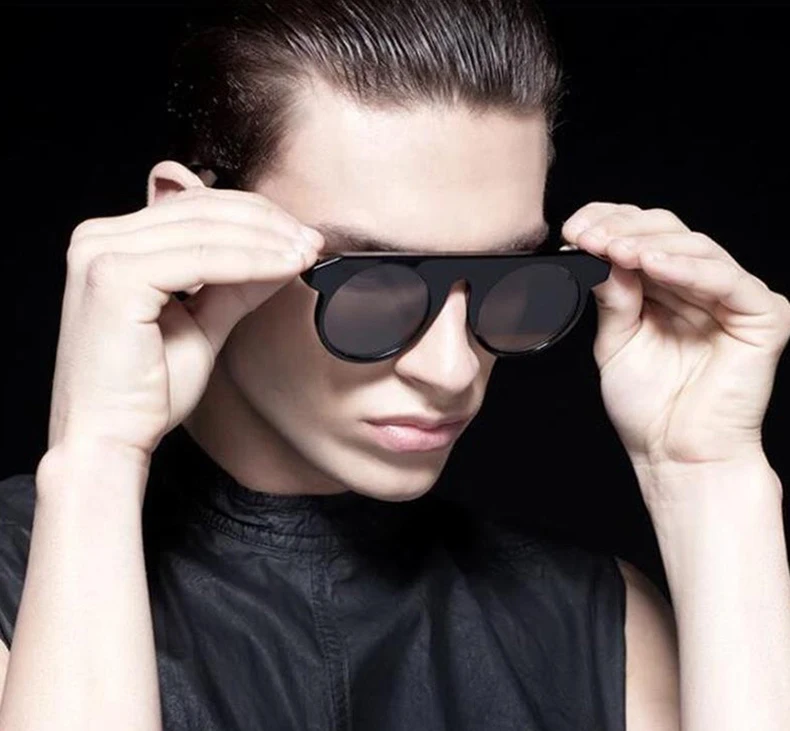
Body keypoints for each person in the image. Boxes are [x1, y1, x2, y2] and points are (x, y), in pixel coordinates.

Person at [1, 1, 789, 729]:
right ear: (187, 226)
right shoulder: (21, 583)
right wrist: (97, 458)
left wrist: (709, 480)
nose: (451, 369)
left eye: (505, 278)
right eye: (373, 285)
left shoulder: (602, 629)